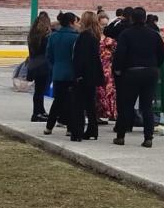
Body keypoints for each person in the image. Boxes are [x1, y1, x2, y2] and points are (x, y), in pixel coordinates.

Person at [112, 7, 164, 148]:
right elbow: (162, 53)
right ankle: (148, 138)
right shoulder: (154, 34)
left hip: (131, 72)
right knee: (147, 107)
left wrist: (118, 69)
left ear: (131, 18)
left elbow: (120, 54)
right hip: (150, 72)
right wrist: (155, 65)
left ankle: (121, 136)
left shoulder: (126, 34)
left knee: (127, 105)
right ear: (145, 18)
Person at [72, 12, 105, 141]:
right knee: (90, 104)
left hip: (83, 75)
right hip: (92, 74)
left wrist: (78, 74)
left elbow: (81, 58)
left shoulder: (84, 37)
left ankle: (78, 132)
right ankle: (92, 129)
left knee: (78, 104)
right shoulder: (94, 36)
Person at [45, 12, 79, 135]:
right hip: (71, 73)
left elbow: (49, 55)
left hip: (57, 72)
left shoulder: (53, 36)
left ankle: (49, 126)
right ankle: (70, 128)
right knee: (70, 101)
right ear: (71, 22)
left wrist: (55, 66)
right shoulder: (75, 37)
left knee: (57, 100)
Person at [26, 12, 52, 122]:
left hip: (33, 64)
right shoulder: (45, 37)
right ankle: (37, 113)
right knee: (40, 91)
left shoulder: (32, 36)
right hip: (43, 65)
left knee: (38, 90)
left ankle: (40, 110)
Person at [96, 12, 117, 122]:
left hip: (107, 68)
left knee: (108, 92)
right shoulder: (95, 39)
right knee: (99, 92)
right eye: (102, 24)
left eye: (106, 24)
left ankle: (106, 113)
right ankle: (97, 114)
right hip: (98, 68)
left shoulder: (109, 40)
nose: (104, 27)